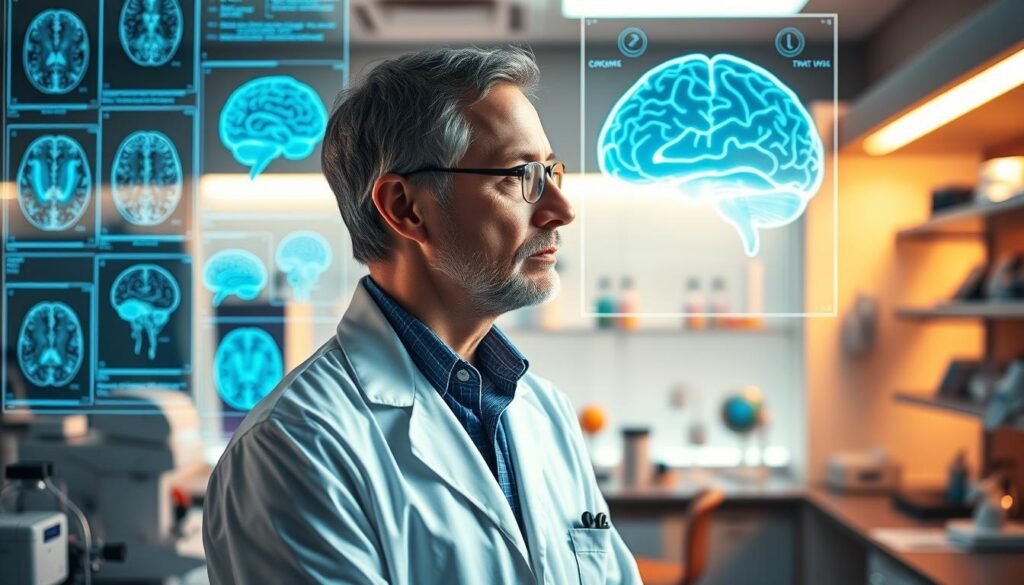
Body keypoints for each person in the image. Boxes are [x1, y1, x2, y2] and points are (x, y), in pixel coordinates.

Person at [203, 47, 641, 584]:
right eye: (520, 175)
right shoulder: (294, 447)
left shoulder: (543, 411)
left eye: (551, 171)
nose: (561, 209)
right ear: (405, 208)